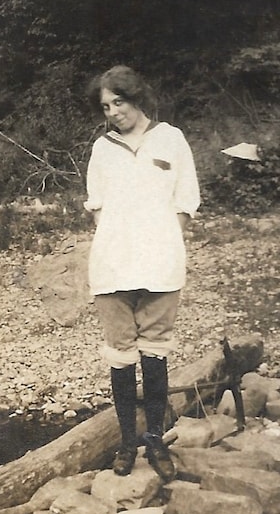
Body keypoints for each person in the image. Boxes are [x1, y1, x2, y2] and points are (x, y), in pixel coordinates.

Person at [84, 66, 201, 481]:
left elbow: (186, 200)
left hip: (160, 265)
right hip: (113, 267)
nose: (114, 112)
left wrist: (165, 245)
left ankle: (154, 439)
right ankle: (126, 443)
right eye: (106, 106)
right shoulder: (103, 149)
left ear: (137, 97)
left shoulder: (171, 138)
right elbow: (96, 205)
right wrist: (119, 245)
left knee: (154, 353)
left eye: (120, 102)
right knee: (120, 356)